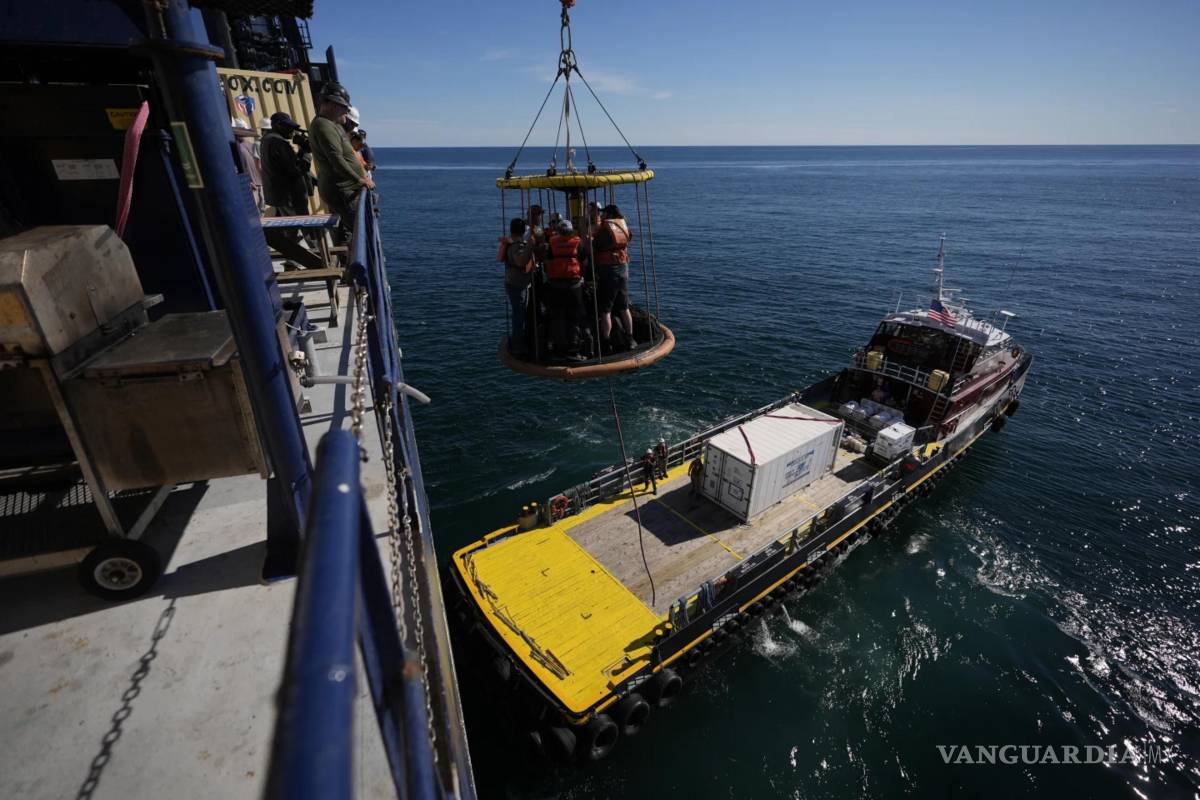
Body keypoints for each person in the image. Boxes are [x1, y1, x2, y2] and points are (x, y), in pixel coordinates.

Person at [260, 111, 325, 270]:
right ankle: (319, 260)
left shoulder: (268, 141)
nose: (292, 131)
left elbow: (286, 167)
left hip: (282, 194)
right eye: (288, 127)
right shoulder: (278, 143)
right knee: (303, 226)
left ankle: (294, 261)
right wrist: (306, 151)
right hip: (290, 195)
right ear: (278, 126)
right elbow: (297, 169)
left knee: (291, 230)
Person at [309, 82, 373, 232]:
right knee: (360, 232)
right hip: (343, 191)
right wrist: (359, 180)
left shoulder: (331, 125)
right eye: (344, 106)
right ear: (330, 104)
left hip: (347, 190)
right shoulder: (323, 126)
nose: (347, 110)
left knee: (361, 229)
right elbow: (336, 159)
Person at [593, 203, 635, 350]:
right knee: (624, 308)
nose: (602, 215)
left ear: (609, 214)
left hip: (608, 271)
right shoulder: (623, 226)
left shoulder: (607, 229)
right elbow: (629, 237)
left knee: (605, 311)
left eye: (604, 213)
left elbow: (596, 245)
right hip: (623, 269)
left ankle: (605, 342)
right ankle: (630, 338)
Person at [545, 218, 585, 360]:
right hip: (574, 284)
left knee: (558, 317)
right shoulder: (578, 242)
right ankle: (573, 350)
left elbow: (547, 260)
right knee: (574, 317)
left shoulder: (552, 242)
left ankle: (559, 349)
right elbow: (584, 260)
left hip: (555, 284)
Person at [499, 218, 535, 355]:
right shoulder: (517, 247)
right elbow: (521, 261)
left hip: (513, 282)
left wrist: (530, 227)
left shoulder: (512, 242)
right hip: (518, 284)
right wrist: (530, 246)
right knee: (519, 315)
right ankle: (518, 346)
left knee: (518, 314)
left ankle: (518, 342)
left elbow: (524, 237)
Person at [231, 120, 263, 210]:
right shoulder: (235, 148)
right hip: (250, 185)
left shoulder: (253, 145)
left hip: (259, 184)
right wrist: (247, 180)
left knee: (261, 211)